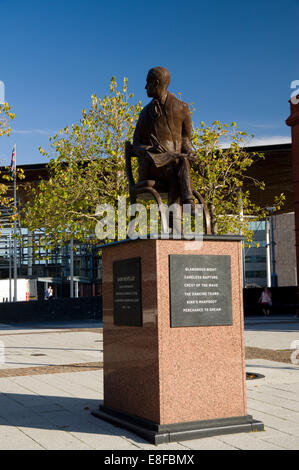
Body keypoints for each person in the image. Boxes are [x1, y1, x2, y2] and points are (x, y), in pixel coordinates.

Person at [132, 66, 197, 218]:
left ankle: (174, 225)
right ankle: (188, 203)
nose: (145, 87)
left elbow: (185, 140)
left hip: (173, 166)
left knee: (179, 166)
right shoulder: (144, 114)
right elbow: (136, 144)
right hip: (152, 166)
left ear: (156, 83)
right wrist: (150, 148)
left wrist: (191, 152)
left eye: (148, 83)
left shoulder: (181, 107)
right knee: (180, 166)